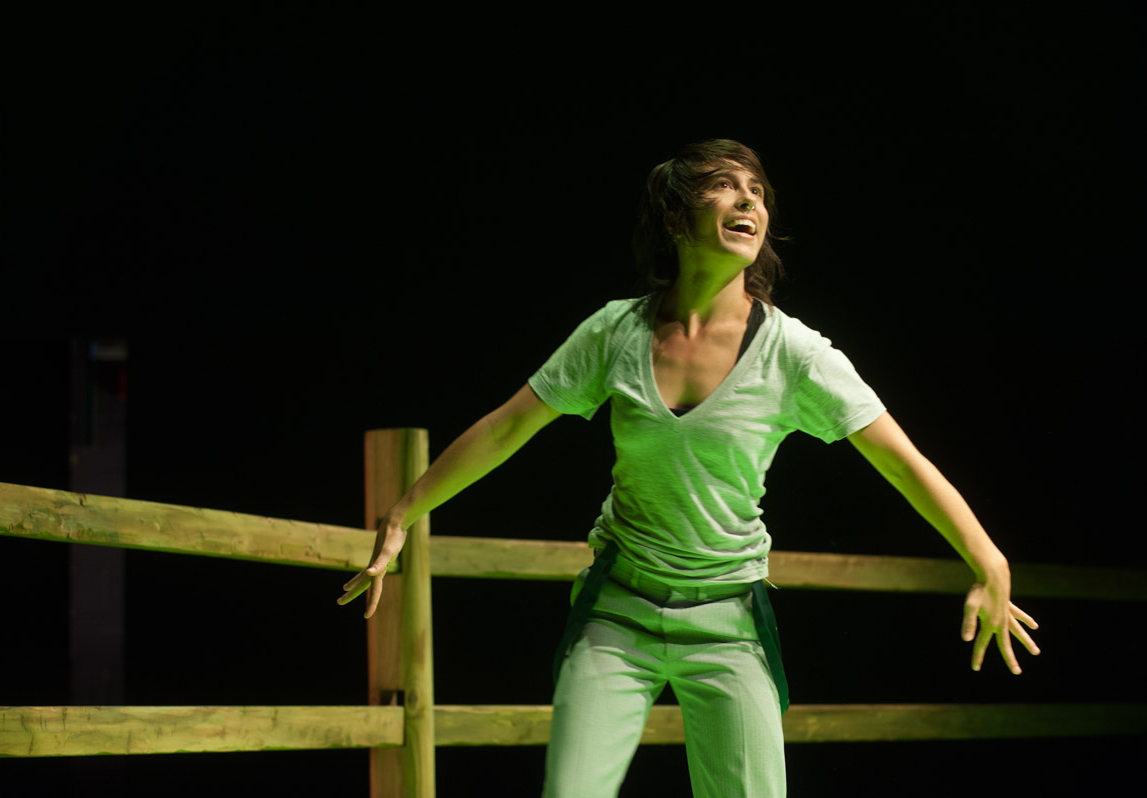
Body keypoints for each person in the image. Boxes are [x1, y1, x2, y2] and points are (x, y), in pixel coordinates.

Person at [337, 139, 1040, 797]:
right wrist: (404, 512)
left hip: (729, 622)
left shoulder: (794, 353)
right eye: (723, 186)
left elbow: (902, 462)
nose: (749, 199)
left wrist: (988, 560)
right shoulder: (615, 332)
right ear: (676, 219)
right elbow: (507, 426)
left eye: (756, 190)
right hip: (618, 615)